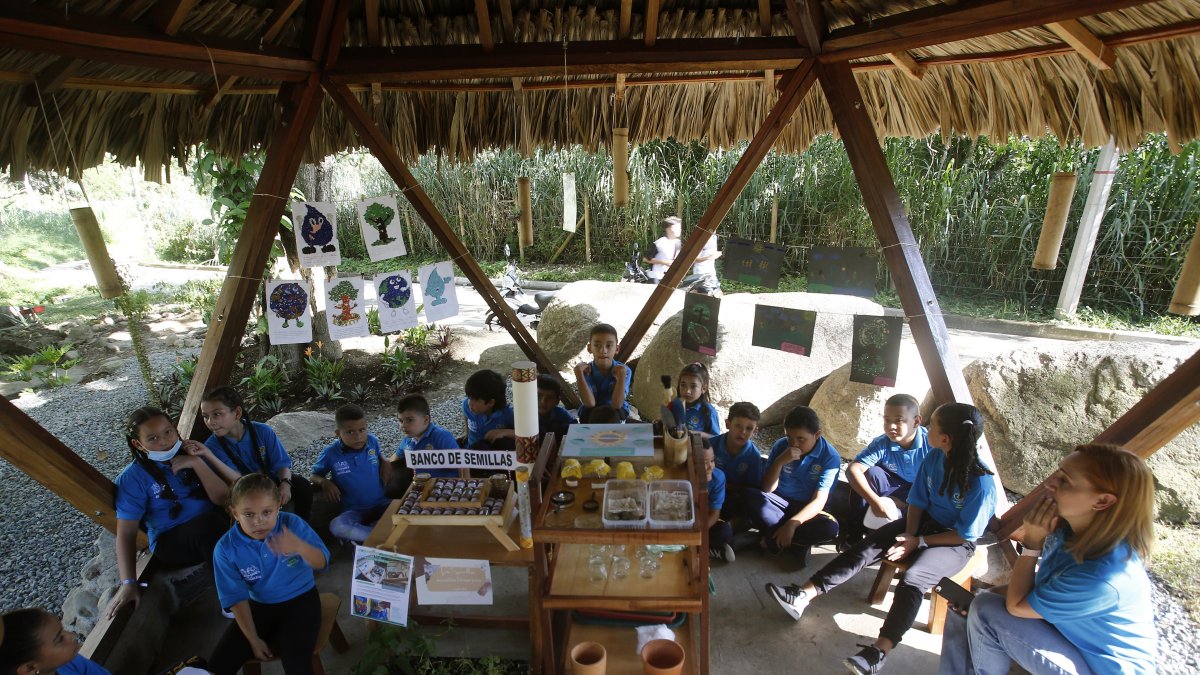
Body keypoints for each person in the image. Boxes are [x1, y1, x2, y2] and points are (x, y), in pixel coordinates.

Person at [766, 402, 998, 675]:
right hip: (923, 524)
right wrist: (908, 533)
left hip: (954, 542)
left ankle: (879, 652)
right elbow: (918, 501)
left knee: (914, 579)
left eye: (931, 425)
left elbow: (965, 534)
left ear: (946, 438)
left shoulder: (980, 483)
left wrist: (919, 543)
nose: (926, 429)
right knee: (866, 548)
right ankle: (803, 595)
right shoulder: (935, 457)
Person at [939, 444, 1157, 675]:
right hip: (1073, 644)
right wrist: (981, 596)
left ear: (1102, 501)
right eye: (1058, 474)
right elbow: (1043, 587)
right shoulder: (1068, 532)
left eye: (1065, 481)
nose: (1050, 484)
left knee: (985, 611)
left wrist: (1031, 546)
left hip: (1102, 669)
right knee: (970, 606)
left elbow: (1017, 606)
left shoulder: (1103, 575)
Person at [106, 406, 234, 619]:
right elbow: (126, 534)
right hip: (173, 541)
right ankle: (231, 601)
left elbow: (224, 499)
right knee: (210, 525)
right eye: (153, 438)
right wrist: (128, 583)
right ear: (138, 444)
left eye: (168, 432)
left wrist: (196, 463)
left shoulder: (190, 452)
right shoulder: (133, 479)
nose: (165, 441)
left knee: (242, 513)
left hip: (212, 526)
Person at [208, 474, 329, 675]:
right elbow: (236, 598)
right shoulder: (226, 548)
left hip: (301, 599)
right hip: (260, 606)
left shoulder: (292, 525)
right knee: (218, 664)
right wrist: (253, 639)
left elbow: (322, 563)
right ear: (234, 513)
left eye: (267, 512)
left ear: (278, 507)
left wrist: (300, 547)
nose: (259, 521)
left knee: (296, 663)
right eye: (248, 514)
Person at [831, 394, 932, 548]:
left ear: (916, 421)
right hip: (892, 486)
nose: (891, 426)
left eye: (899, 420)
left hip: (920, 491)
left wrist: (905, 503)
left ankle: (897, 535)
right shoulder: (882, 443)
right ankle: (856, 531)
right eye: (887, 420)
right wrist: (875, 501)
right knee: (871, 474)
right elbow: (853, 470)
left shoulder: (931, 444)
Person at [201, 386, 314, 522]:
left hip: (271, 481)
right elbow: (236, 480)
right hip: (242, 492)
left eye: (217, 414)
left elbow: (281, 464)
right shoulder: (212, 447)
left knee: (302, 485)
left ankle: (304, 528)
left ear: (237, 413)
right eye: (205, 416)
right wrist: (210, 456)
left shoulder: (263, 431)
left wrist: (285, 484)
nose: (210, 422)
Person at [744, 406, 841, 562]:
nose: (793, 444)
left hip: (807, 509)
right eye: (789, 437)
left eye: (801, 439)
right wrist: (780, 461)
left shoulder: (830, 457)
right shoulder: (781, 446)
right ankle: (798, 544)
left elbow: (819, 501)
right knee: (750, 496)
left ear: (817, 435)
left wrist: (791, 524)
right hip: (779, 503)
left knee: (830, 527)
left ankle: (770, 540)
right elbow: (767, 488)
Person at [309, 404, 392, 544]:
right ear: (338, 433)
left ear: (367, 426)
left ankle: (368, 535)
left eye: (362, 430)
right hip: (354, 511)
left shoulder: (372, 441)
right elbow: (313, 475)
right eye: (350, 432)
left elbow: (380, 456)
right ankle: (380, 535)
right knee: (337, 526)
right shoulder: (330, 453)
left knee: (408, 508)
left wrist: (385, 461)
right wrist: (324, 482)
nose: (358, 436)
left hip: (381, 504)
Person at [1, 608, 111, 674]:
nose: (72, 635)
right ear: (30, 668)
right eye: (60, 639)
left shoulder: (69, 662)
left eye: (63, 630)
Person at [390, 394, 459, 496]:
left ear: (426, 420)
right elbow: (395, 458)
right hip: (419, 488)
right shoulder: (407, 440)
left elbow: (461, 465)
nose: (403, 425)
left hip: (445, 488)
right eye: (401, 421)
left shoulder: (441, 437)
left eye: (410, 420)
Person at [709, 402, 764, 523]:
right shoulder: (711, 445)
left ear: (755, 431)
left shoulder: (753, 456)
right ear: (728, 424)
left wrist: (725, 485)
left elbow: (752, 488)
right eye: (738, 426)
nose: (743, 432)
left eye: (749, 428)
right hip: (709, 491)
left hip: (733, 496)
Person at [573, 323, 631, 421]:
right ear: (589, 348)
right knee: (587, 413)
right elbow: (589, 403)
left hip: (615, 410)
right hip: (592, 409)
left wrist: (621, 377)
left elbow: (617, 404)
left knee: (615, 416)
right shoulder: (585, 371)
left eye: (608, 346)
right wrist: (579, 374)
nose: (603, 350)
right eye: (597, 345)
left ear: (617, 349)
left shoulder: (624, 370)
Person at [460, 369, 515, 449]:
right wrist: (466, 432)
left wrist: (504, 432)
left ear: (491, 403)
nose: (470, 403)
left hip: (492, 456)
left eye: (476, 399)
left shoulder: (508, 414)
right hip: (470, 454)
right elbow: (466, 415)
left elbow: (524, 435)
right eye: (469, 397)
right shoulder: (466, 405)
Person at [703, 440, 736, 563]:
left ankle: (700, 546)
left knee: (724, 532)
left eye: (712, 461)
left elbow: (714, 513)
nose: (710, 466)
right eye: (703, 462)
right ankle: (704, 549)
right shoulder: (684, 477)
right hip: (683, 519)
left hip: (703, 522)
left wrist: (699, 531)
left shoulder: (718, 477)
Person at [676, 362, 721, 439]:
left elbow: (716, 439)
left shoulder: (709, 412)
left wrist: (696, 434)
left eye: (693, 386)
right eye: (683, 385)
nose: (687, 391)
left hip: (698, 449)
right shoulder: (676, 404)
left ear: (703, 388)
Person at [644, 216, 682, 283]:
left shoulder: (678, 243)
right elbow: (646, 259)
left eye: (680, 228)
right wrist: (665, 262)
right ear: (668, 229)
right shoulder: (660, 243)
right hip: (656, 277)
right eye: (677, 228)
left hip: (670, 277)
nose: (679, 230)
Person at [536, 374, 574, 441]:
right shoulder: (518, 414)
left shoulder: (563, 417)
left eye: (549, 397)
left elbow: (575, 432)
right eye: (538, 396)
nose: (543, 402)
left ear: (557, 401)